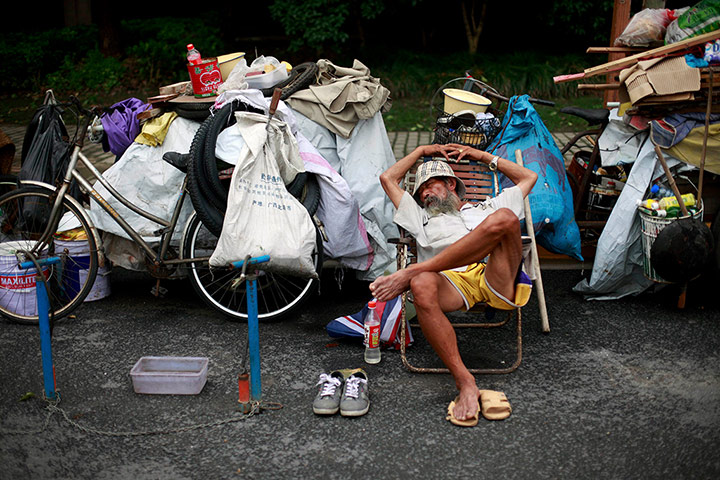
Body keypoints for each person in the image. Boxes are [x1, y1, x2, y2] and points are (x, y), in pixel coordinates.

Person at [369, 142, 537, 423]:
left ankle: (412, 271)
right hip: (450, 283)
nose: (424, 193)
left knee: (505, 219)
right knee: (422, 282)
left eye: (430, 185)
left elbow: (528, 177)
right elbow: (387, 178)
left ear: (450, 183)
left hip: (493, 274)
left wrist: (481, 156)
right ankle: (465, 381)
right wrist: (422, 150)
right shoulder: (419, 216)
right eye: (421, 190)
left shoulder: (488, 207)